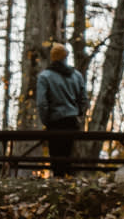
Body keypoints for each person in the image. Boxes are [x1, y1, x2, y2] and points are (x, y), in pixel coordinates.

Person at [35, 43, 87, 177]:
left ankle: (58, 183)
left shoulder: (44, 77)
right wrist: (79, 113)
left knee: (56, 156)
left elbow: (42, 103)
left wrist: (46, 120)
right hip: (71, 121)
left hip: (54, 122)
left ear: (52, 58)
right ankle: (68, 184)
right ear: (66, 57)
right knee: (69, 154)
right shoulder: (77, 75)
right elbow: (83, 99)